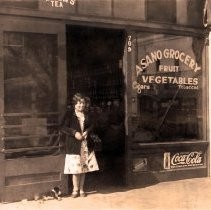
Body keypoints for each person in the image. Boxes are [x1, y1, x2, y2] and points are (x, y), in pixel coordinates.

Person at [62, 93, 99, 198]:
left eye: (83, 103)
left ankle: (82, 189)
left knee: (83, 168)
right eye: (79, 103)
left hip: (85, 145)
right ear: (74, 104)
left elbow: (92, 125)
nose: (81, 105)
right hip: (74, 145)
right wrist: (74, 133)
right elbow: (63, 127)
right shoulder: (69, 114)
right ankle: (75, 189)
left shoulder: (87, 114)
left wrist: (87, 131)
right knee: (75, 169)